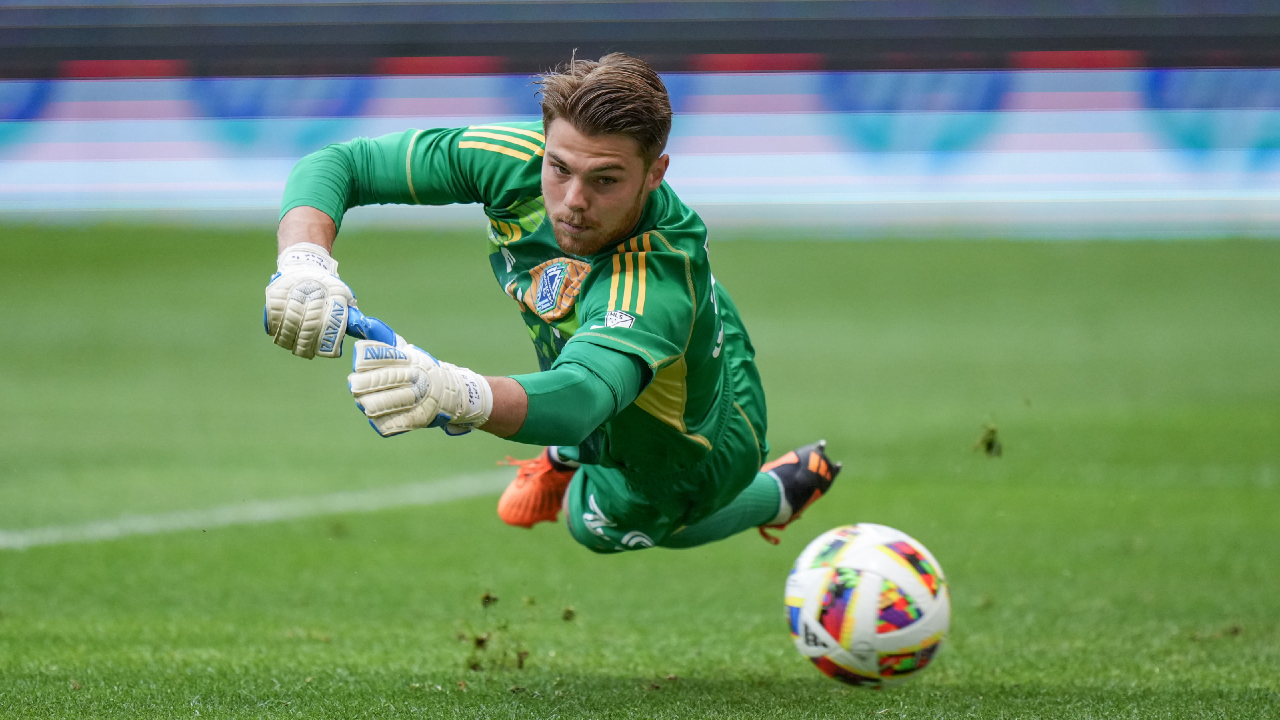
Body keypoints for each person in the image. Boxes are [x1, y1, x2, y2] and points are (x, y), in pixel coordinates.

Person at [263, 53, 840, 553]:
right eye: (559, 168)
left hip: (686, 448)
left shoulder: (653, 278)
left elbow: (583, 397)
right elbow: (339, 165)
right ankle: (569, 456)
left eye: (606, 180)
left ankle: (779, 494)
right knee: (601, 355)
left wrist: (450, 392)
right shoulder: (513, 158)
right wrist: (305, 263)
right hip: (683, 339)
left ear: (655, 173)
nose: (573, 201)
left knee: (594, 525)